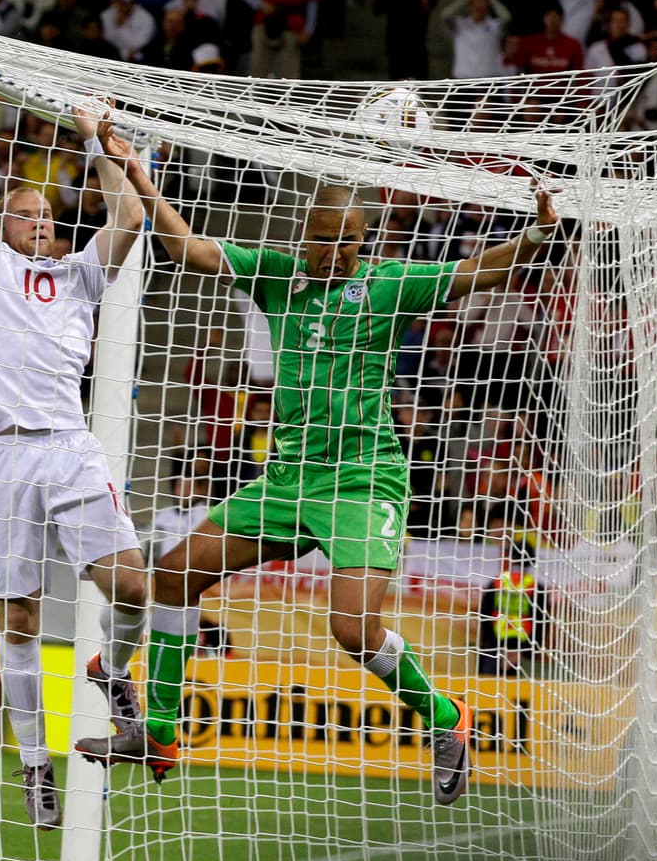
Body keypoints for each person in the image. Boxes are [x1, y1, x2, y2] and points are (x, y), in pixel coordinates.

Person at [75, 129, 560, 808]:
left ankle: (448, 721)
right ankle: (157, 727)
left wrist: (537, 234)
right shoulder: (277, 273)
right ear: (306, 236)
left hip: (364, 479)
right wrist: (137, 173)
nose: (337, 252)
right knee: (177, 573)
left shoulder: (389, 284)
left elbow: (482, 270)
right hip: (289, 476)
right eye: (326, 239)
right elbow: (188, 249)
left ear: (366, 240)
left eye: (350, 240)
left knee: (352, 630)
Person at [0, 14, 149, 830]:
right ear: (4, 221)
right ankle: (35, 765)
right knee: (18, 615)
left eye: (51, 216)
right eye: (30, 213)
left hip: (67, 448)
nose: (44, 223)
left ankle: (116, 673)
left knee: (130, 582)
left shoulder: (77, 277)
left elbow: (127, 217)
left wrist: (99, 139)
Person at [477, 536, 550, 675]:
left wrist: (493, 645)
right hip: (524, 653)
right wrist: (527, 648)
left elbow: (484, 616)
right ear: (532, 561)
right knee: (520, 693)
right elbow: (541, 622)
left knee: (489, 690)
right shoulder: (537, 588)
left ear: (510, 558)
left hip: (495, 649)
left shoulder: (496, 584)